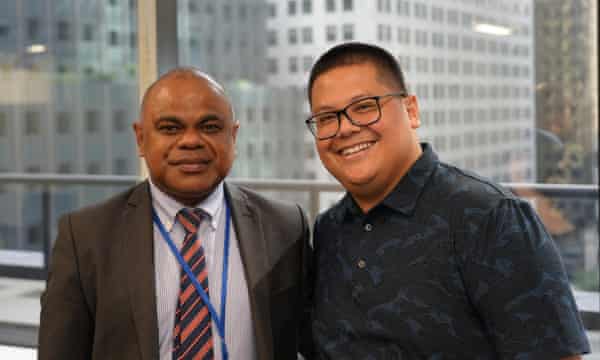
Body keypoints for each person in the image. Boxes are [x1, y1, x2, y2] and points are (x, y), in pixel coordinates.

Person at [304, 42, 590, 359]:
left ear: (412, 110)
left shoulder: (488, 217)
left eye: (365, 107)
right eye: (327, 118)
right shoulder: (328, 230)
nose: (344, 128)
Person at [39, 68, 311, 360]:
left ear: (233, 137)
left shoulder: (285, 227)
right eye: (170, 128)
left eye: (210, 127)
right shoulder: (85, 237)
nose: (191, 141)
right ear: (141, 139)